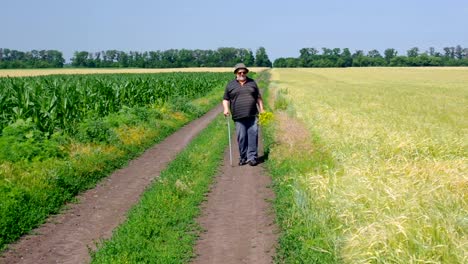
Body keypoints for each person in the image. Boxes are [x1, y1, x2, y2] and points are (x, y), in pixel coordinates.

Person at [223, 63, 264, 166]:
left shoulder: (252, 83)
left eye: (244, 72)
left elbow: (258, 98)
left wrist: (262, 109)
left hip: (252, 115)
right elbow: (226, 99)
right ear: (236, 73)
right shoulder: (230, 85)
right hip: (238, 116)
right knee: (242, 137)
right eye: (239, 72)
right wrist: (226, 109)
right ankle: (243, 157)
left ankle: (252, 158)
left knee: (253, 136)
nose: (242, 74)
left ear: (246, 72)